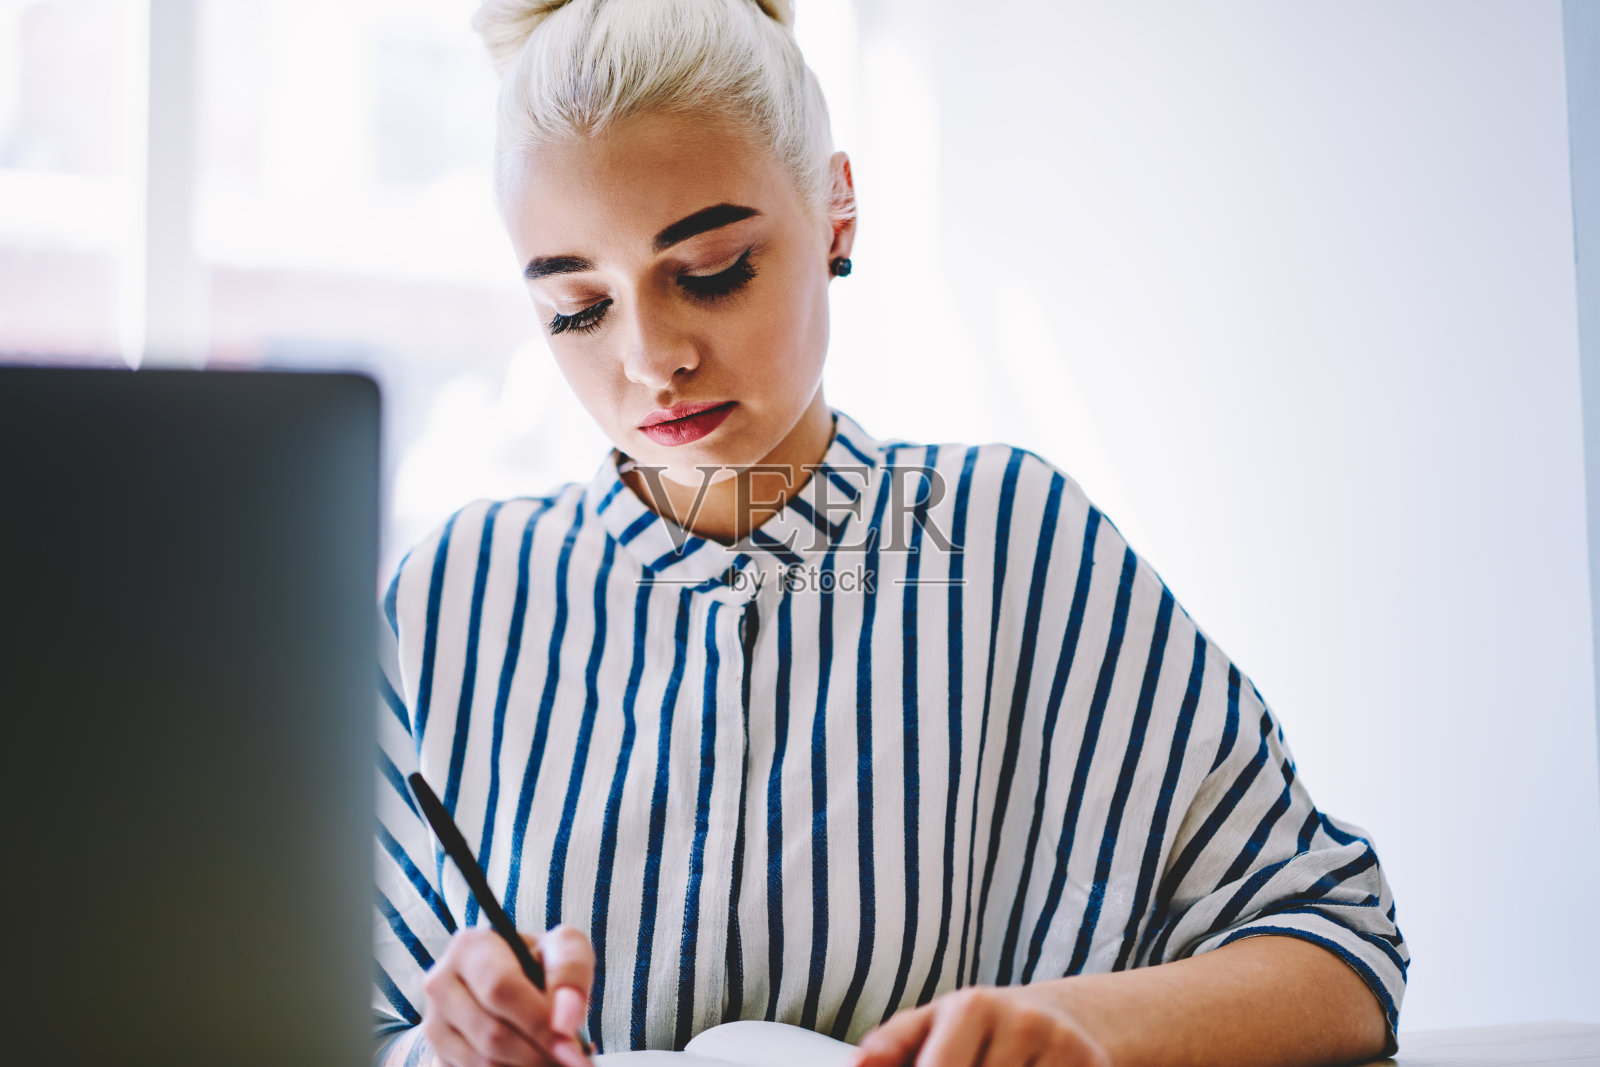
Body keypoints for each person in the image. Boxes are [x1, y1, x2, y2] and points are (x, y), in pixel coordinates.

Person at [372, 1, 1409, 1064]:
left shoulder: (1017, 546)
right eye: (577, 308)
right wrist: (443, 1048)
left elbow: (1343, 943)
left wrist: (1083, 1026)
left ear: (835, 215)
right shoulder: (448, 599)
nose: (649, 358)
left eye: (714, 269)